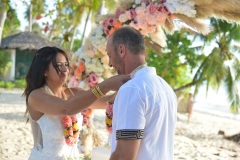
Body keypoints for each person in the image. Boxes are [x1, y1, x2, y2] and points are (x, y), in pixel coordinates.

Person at [23, 46, 130, 160]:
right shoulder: (36, 97)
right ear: (44, 71)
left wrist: (126, 82)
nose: (65, 70)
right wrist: (105, 85)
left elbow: (106, 102)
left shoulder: (74, 93)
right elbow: (67, 108)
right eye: (59, 65)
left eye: (66, 64)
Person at [106, 26, 178, 160]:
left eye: (110, 55)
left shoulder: (132, 89)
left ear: (121, 50)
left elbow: (124, 155)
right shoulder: (166, 88)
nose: (110, 63)